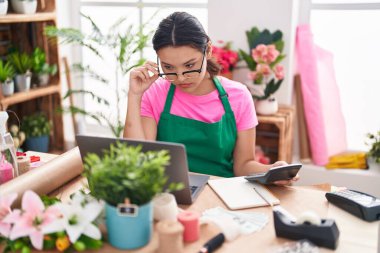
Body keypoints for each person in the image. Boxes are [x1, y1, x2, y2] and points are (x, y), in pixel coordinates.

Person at [124, 12, 298, 185]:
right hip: (171, 192)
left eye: (190, 65)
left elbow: (243, 166)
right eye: (168, 67)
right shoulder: (155, 93)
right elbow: (138, 160)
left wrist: (272, 171)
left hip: (223, 193)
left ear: (207, 50)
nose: (180, 77)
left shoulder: (239, 96)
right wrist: (134, 95)